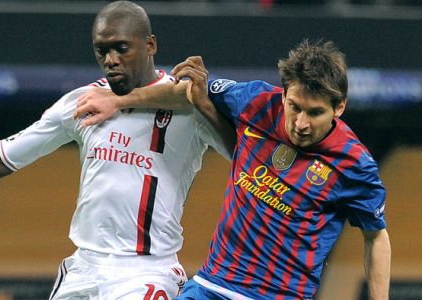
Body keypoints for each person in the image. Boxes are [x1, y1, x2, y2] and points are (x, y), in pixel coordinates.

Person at [74, 40, 391, 299]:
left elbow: (376, 237)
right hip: (212, 283)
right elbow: (185, 93)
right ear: (283, 93)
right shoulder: (255, 101)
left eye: (315, 112)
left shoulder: (354, 163)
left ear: (339, 107)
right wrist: (118, 100)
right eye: (294, 106)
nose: (301, 123)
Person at [0, 1, 233, 299]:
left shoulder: (189, 104)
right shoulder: (82, 101)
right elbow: (0, 156)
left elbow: (243, 156)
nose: (111, 60)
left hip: (145, 272)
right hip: (82, 268)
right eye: (102, 50)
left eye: (121, 48)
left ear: (150, 45)